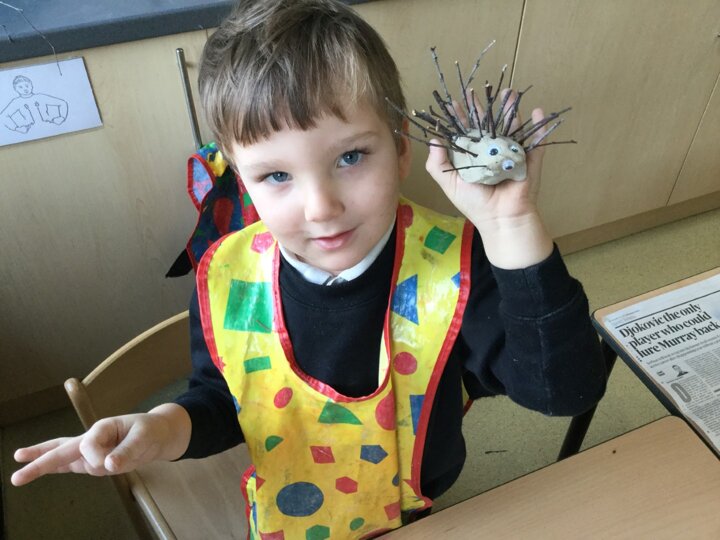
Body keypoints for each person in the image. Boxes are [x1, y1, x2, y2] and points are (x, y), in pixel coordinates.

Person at [12, 0, 606, 537]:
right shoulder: (228, 276)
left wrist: (512, 228)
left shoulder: (457, 264)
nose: (321, 207)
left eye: (350, 156)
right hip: (286, 502)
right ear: (242, 181)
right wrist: (163, 429)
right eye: (276, 175)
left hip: (417, 501)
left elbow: (566, 390)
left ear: (401, 147)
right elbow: (224, 401)